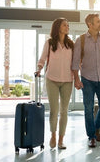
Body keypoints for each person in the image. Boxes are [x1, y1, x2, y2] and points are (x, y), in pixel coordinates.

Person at [72, 13, 100, 148]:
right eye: (97, 22)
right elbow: (74, 62)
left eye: (99, 21)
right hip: (87, 79)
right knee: (88, 108)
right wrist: (76, 79)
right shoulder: (81, 40)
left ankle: (96, 127)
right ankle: (91, 136)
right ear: (90, 24)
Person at [35, 18, 74, 149]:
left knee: (64, 111)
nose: (67, 27)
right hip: (51, 79)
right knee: (54, 110)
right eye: (64, 25)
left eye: (68, 25)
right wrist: (39, 68)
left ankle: (61, 140)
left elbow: (75, 63)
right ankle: (53, 135)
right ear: (58, 27)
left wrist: (78, 77)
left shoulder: (71, 44)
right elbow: (42, 58)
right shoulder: (50, 42)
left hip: (67, 81)